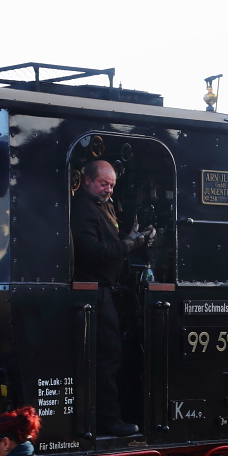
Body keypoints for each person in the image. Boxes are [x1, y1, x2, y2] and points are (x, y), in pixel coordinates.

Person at [71, 159, 155, 437]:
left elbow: (112, 241)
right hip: (93, 292)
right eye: (103, 184)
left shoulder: (102, 206)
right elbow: (93, 251)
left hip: (106, 289)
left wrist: (131, 238)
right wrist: (130, 244)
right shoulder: (83, 209)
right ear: (87, 181)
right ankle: (108, 420)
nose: (108, 189)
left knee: (113, 355)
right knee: (108, 357)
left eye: (111, 185)